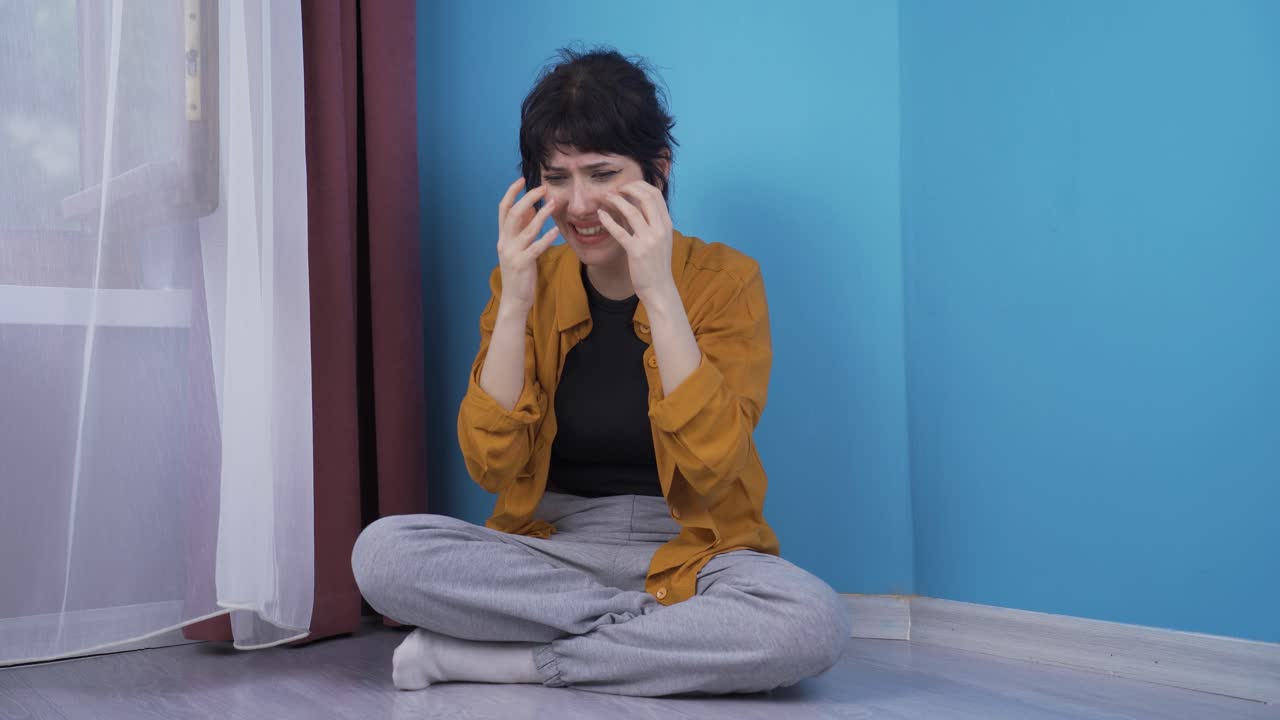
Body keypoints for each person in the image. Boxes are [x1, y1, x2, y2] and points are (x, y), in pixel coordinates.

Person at [352, 46, 848, 697]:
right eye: (556, 178)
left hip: (697, 550)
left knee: (811, 622)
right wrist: (517, 301)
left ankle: (514, 661)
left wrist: (658, 289)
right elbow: (490, 466)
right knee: (382, 552)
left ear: (658, 170)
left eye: (602, 173)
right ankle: (662, 639)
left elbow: (715, 463)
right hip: (552, 551)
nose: (579, 204)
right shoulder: (526, 282)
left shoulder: (726, 280)